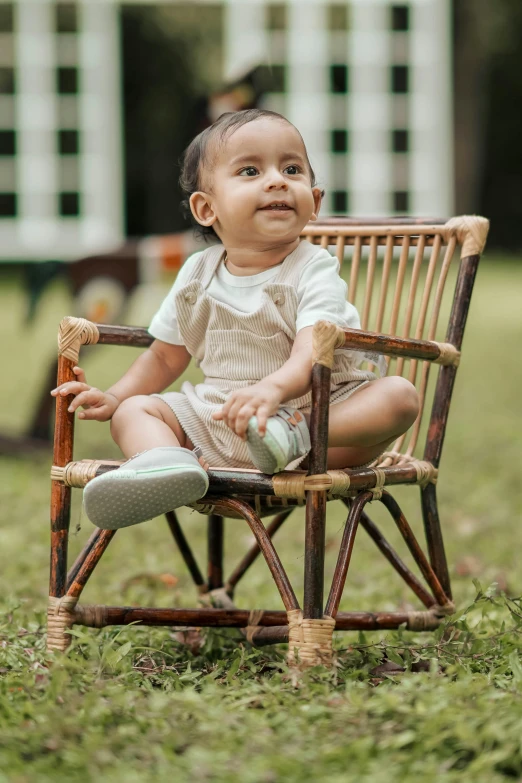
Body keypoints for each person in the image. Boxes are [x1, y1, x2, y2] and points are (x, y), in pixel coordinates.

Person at [51, 109, 419, 530]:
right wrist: (115, 397)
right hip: (220, 422)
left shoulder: (313, 269)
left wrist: (274, 393)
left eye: (292, 168)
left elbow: (309, 351)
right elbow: (165, 358)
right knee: (134, 411)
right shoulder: (194, 274)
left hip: (319, 427)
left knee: (400, 397)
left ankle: (289, 432)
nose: (277, 179)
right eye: (250, 170)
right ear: (207, 209)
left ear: (314, 202)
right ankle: (168, 464)